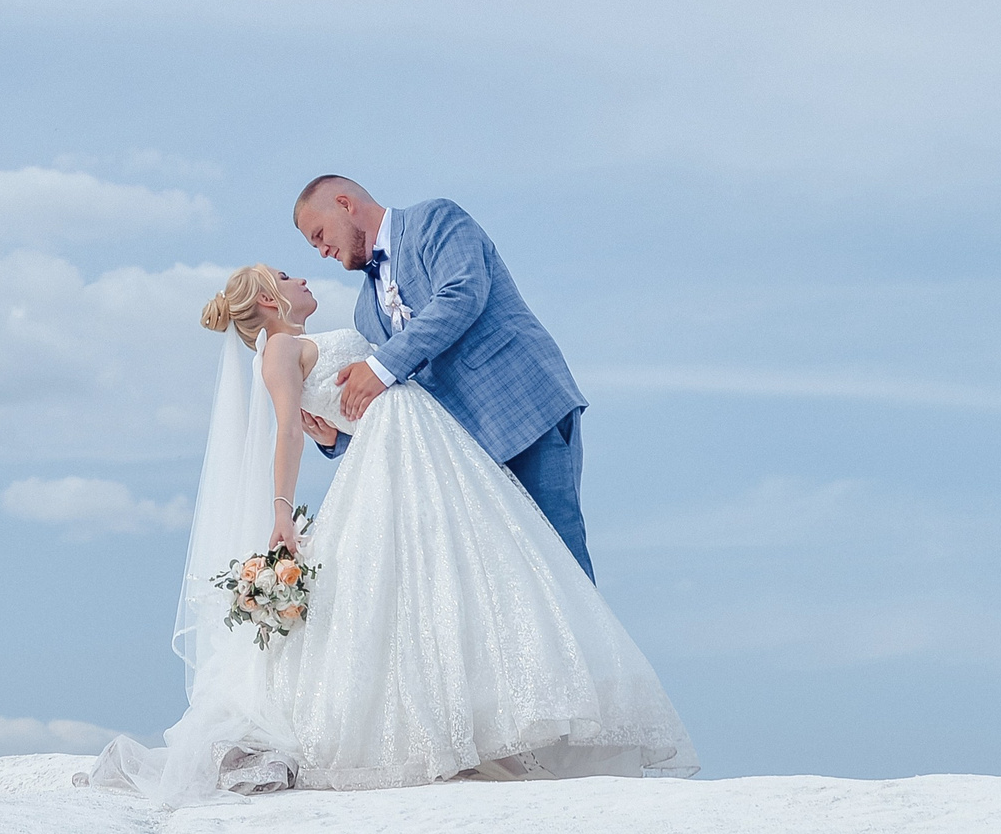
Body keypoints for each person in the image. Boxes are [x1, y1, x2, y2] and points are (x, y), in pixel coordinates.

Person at [85, 261, 693, 803]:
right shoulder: (278, 350)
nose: (303, 278)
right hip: (394, 453)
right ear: (270, 298)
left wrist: (327, 424)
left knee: (449, 572)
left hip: (413, 443)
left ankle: (478, 716)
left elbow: (322, 426)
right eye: (289, 275)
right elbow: (287, 432)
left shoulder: (297, 344)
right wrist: (280, 512)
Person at [293, 176, 596, 579]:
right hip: (468, 459)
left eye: (319, 235)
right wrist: (338, 437)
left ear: (345, 204)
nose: (322, 251)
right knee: (516, 589)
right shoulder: (365, 311)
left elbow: (463, 293)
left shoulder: (435, 219)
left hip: (525, 410)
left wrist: (382, 367)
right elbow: (397, 400)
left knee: (562, 567)